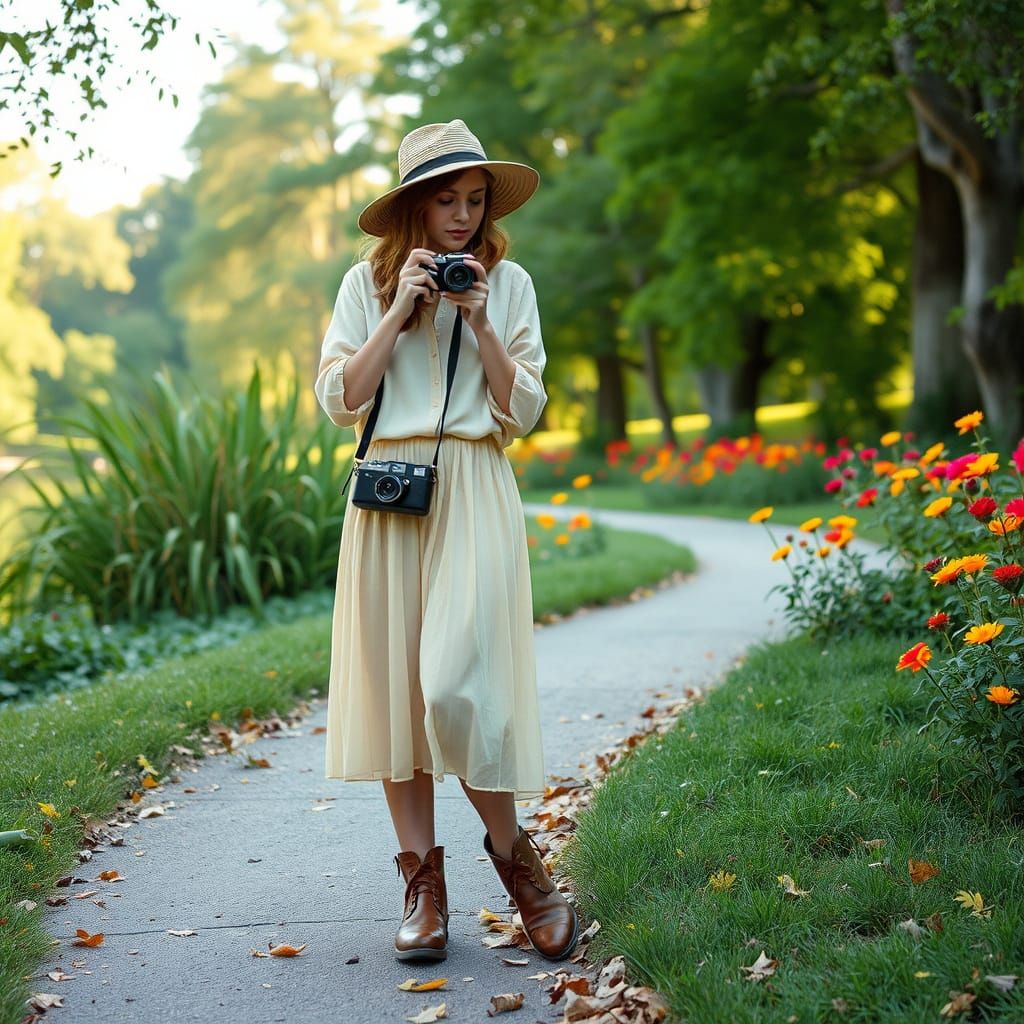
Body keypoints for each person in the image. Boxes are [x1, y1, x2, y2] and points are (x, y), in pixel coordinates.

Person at [313, 119, 578, 963]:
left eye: (474, 201)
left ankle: (518, 865)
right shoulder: (365, 284)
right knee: (399, 696)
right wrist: (399, 310)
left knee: (456, 685)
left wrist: (482, 320)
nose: (462, 216)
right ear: (413, 209)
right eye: (446, 200)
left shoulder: (511, 281)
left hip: (473, 487)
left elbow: (523, 412)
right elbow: (341, 399)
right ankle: (423, 888)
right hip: (389, 495)